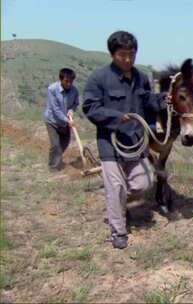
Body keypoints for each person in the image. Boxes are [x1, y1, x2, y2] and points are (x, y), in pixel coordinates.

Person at [83, 31, 167, 249]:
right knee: (116, 187)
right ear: (112, 54)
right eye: (123, 55)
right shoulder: (98, 79)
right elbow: (90, 108)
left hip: (136, 143)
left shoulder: (140, 77)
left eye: (132, 54)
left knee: (144, 183)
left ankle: (117, 203)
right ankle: (118, 231)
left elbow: (148, 101)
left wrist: (163, 100)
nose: (128, 59)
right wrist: (117, 117)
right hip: (110, 145)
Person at [44, 68, 79, 172]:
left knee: (64, 143)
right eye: (66, 81)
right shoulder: (52, 89)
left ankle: (56, 159)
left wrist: (72, 110)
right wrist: (67, 120)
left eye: (71, 82)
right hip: (52, 121)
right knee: (55, 145)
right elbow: (55, 109)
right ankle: (53, 167)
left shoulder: (75, 90)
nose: (69, 84)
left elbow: (75, 104)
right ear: (60, 80)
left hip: (65, 122)